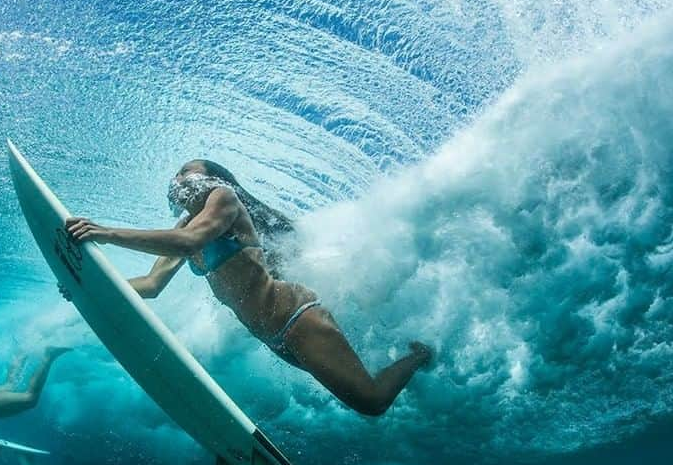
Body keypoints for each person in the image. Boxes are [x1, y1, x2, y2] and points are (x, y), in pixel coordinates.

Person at [64, 160, 432, 416]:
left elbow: (191, 241)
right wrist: (89, 287)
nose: (178, 177)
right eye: (176, 173)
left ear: (213, 179)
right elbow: (152, 283)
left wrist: (107, 233)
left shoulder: (224, 199)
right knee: (355, 393)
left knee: (371, 402)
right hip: (274, 339)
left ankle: (419, 354)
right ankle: (394, 358)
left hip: (296, 319)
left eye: (187, 171)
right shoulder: (182, 225)